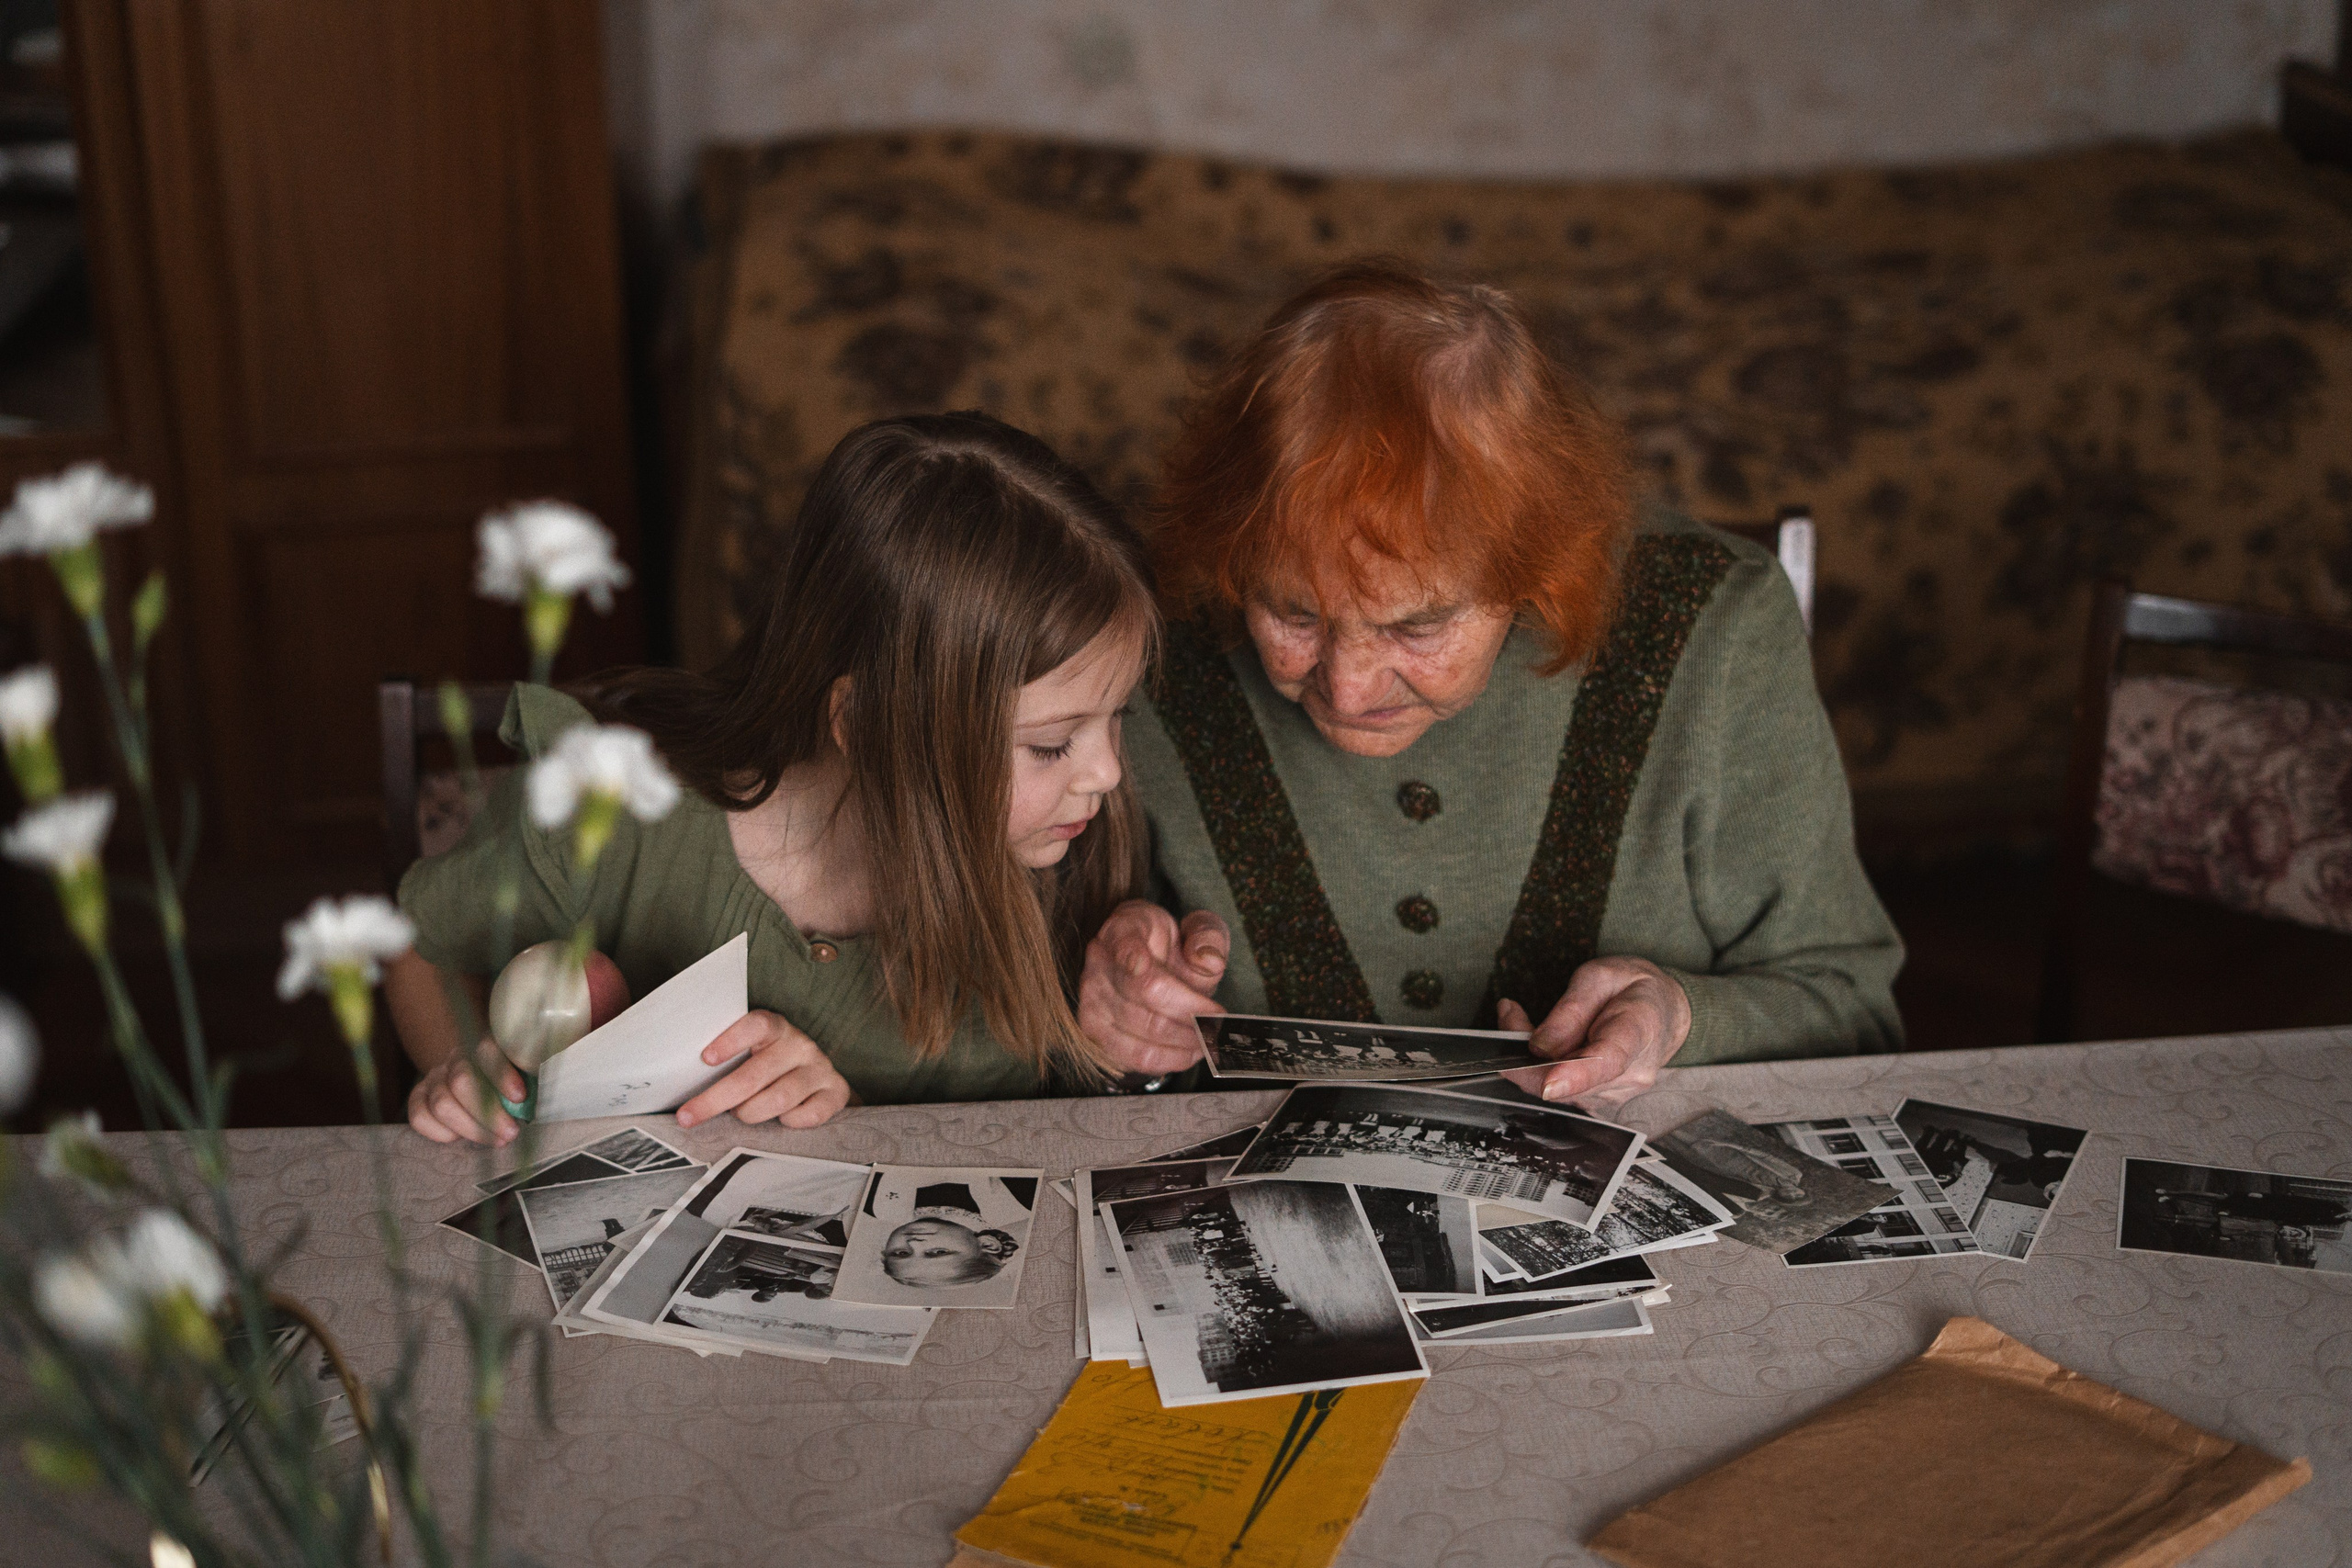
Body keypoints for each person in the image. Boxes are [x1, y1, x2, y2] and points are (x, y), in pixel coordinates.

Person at [1081, 262, 1903, 1109]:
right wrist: (1117, 1016)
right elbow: (1066, 1037)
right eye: (1294, 613)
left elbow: (1852, 1011)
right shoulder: (1148, 636)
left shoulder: (1715, 628)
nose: (1348, 689)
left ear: (1535, 571)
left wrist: (1682, 1016)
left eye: (1416, 624)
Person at [390, 412, 1155, 1144]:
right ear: (868, 726)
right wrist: (476, 1075)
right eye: (1052, 744)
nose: (1108, 771)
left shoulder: (1064, 843)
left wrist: (1146, 995)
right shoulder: (613, 817)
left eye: (1117, 714)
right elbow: (421, 953)